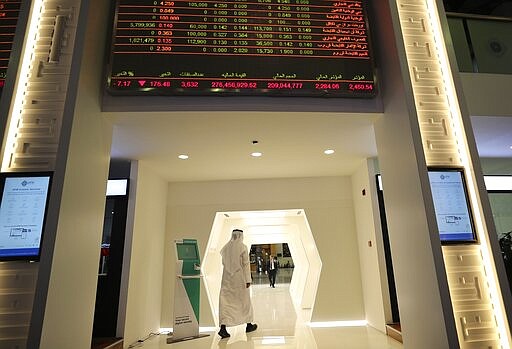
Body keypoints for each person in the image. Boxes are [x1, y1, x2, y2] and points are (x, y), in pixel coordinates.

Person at [218, 229, 258, 339]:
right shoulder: (242, 247)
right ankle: (249, 325)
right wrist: (248, 280)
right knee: (244, 302)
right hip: (239, 279)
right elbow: (246, 264)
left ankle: (223, 328)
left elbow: (223, 263)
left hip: (226, 279)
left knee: (226, 302)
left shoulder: (225, 248)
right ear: (241, 236)